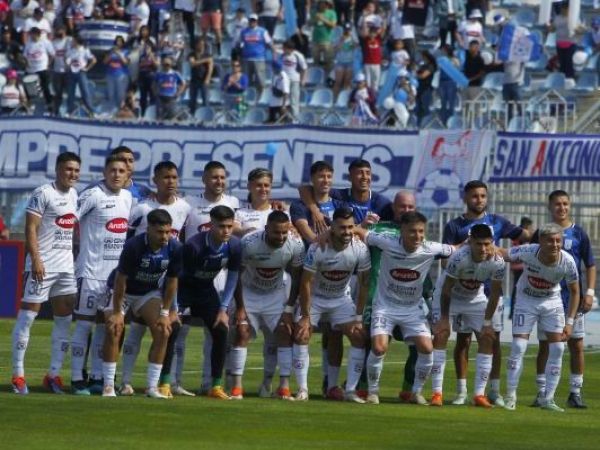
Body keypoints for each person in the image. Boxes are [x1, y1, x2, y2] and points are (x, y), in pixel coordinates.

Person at [439, 180, 530, 406]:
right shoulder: (454, 226)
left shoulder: (497, 221)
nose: (479, 200)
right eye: (474, 196)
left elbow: (526, 236)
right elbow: (444, 261)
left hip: (490, 291)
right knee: (463, 340)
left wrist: (502, 251)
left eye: (482, 196)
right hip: (463, 290)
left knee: (492, 339)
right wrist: (462, 250)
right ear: (465, 198)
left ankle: (494, 391)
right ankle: (461, 392)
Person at [362, 211, 453, 405]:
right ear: (402, 230)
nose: (417, 236)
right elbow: (361, 233)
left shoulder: (430, 247)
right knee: (379, 347)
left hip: (412, 309)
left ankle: (416, 393)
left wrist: (486, 247)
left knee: (427, 348)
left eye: (421, 231)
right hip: (385, 306)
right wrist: (329, 234)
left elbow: (457, 249)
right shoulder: (387, 241)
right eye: (412, 231)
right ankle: (372, 392)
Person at [11, 151, 80, 395]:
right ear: (58, 169)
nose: (72, 174)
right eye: (68, 169)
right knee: (28, 317)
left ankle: (53, 375)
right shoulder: (43, 193)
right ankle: (18, 375)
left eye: (76, 170)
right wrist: (36, 259)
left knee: (64, 321)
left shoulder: (74, 194)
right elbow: (30, 228)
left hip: (66, 269)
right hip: (42, 266)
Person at [120, 161, 191, 397]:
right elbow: (127, 242)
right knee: (133, 331)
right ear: (155, 180)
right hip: (135, 279)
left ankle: (159, 383)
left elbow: (179, 249)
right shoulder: (142, 208)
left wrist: (171, 306)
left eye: (174, 177)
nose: (171, 182)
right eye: (166, 177)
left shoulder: (185, 208)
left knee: (162, 329)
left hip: (160, 284)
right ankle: (123, 382)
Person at [499, 224, 580, 412]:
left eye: (558, 241)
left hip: (552, 302)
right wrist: (483, 246)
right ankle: (510, 396)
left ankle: (548, 399)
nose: (555, 244)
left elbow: (575, 292)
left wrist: (570, 322)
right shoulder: (528, 251)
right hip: (526, 300)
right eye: (550, 240)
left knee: (558, 348)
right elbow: (504, 254)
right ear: (541, 241)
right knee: (518, 346)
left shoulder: (568, 261)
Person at [101, 209, 182, 398]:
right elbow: (120, 280)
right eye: (160, 232)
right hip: (121, 291)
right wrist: (118, 312)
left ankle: (152, 387)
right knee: (114, 328)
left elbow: (172, 281)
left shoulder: (176, 248)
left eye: (168, 232)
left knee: (163, 330)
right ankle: (108, 386)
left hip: (148, 292)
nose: (164, 236)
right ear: (148, 229)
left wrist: (166, 313)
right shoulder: (134, 246)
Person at [293, 206, 370, 402]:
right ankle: (302, 389)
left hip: (340, 299)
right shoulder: (318, 248)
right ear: (332, 228)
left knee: (358, 336)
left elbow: (364, 283)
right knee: (302, 334)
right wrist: (305, 316)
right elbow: (306, 282)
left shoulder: (360, 248)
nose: (347, 232)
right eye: (342, 227)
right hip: (315, 298)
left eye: (350, 227)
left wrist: (358, 318)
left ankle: (347, 390)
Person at [70, 156, 132, 395]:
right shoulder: (93, 194)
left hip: (114, 279)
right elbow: (69, 219)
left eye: (121, 171)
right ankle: (77, 378)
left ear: (127, 175)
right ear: (104, 172)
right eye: (112, 170)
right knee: (84, 325)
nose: (117, 175)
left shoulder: (128, 198)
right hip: (89, 272)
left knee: (105, 327)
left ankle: (97, 376)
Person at [230, 211, 305, 400]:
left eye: (284, 232)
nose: (281, 237)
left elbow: (297, 277)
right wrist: (240, 307)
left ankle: (283, 388)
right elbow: (236, 275)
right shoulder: (248, 243)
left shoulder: (296, 244)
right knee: (241, 333)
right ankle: (236, 388)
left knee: (285, 332)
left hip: (275, 294)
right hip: (249, 293)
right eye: (276, 232)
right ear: (266, 229)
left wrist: (289, 308)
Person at [531, 191, 596, 409]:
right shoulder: (542, 233)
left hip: (572, 299)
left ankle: (575, 392)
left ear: (570, 205)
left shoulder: (579, 233)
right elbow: (530, 259)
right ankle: (541, 393)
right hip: (547, 298)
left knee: (576, 345)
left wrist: (590, 292)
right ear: (549, 207)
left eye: (565, 204)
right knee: (545, 346)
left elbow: (590, 264)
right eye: (557, 204)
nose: (562, 208)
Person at [180, 161, 240, 395]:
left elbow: (243, 227)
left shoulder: (233, 203)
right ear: (204, 179)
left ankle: (211, 384)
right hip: (188, 276)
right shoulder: (189, 203)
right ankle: (171, 382)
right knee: (178, 331)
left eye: (223, 177)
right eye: (214, 177)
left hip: (216, 276)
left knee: (217, 330)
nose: (219, 181)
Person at [432, 224, 505, 408]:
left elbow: (495, 293)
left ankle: (479, 395)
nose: (483, 249)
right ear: (470, 242)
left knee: (488, 337)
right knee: (441, 335)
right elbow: (446, 289)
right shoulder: (459, 258)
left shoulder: (497, 261)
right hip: (450, 296)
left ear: (492, 243)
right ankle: (437, 393)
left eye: (487, 244)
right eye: (479, 244)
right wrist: (444, 319)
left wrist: (487, 322)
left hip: (475, 298)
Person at [237, 13, 272, 96]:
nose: (252, 22)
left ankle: (261, 97)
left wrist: (273, 53)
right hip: (246, 59)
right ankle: (248, 98)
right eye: (251, 20)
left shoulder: (262, 31)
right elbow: (240, 44)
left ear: (257, 21)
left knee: (260, 81)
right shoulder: (243, 31)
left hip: (259, 59)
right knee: (246, 81)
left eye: (254, 21)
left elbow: (269, 43)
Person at [23, 26, 54, 110]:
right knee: (27, 87)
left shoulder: (45, 42)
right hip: (31, 69)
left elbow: (52, 54)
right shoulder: (28, 43)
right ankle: (29, 104)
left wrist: (48, 64)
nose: (32, 36)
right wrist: (26, 63)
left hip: (42, 67)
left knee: (45, 86)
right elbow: (25, 56)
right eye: (31, 34)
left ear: (38, 34)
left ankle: (49, 104)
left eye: (34, 34)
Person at [65, 35, 96, 117]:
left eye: (73, 41)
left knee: (85, 92)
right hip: (71, 72)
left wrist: (87, 68)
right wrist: (68, 65)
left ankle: (91, 111)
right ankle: (69, 111)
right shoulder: (70, 50)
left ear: (77, 41)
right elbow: (67, 59)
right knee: (70, 93)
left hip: (81, 72)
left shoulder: (85, 50)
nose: (72, 42)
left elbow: (94, 60)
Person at [509, 217, 533, 319]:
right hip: (519, 267)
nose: (530, 228)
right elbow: (516, 251)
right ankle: (513, 312)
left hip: (522, 267)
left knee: (521, 289)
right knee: (517, 289)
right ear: (526, 225)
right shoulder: (519, 235)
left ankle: (519, 311)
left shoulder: (520, 234)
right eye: (529, 226)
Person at [548, 2, 577, 79]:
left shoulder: (574, 18)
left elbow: (578, 29)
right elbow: (552, 29)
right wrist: (548, 26)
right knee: (562, 63)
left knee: (569, 62)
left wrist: (579, 29)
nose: (563, 10)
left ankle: (570, 78)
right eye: (562, 8)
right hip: (559, 43)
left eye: (565, 8)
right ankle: (562, 79)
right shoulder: (557, 18)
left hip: (570, 44)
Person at [134, 25, 159, 117]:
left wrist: (151, 55)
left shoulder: (155, 54)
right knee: (143, 96)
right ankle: (143, 114)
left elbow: (157, 65)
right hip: (142, 75)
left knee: (153, 95)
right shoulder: (141, 56)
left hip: (151, 75)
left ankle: (153, 114)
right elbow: (139, 65)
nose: (146, 48)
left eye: (148, 46)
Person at [153, 56, 186, 121]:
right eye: (164, 64)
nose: (166, 66)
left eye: (168, 64)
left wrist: (178, 93)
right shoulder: (158, 74)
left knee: (171, 116)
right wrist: (155, 92)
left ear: (171, 65)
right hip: (161, 97)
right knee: (159, 116)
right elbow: (153, 84)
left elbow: (183, 83)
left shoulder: (175, 74)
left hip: (171, 97)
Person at [281, 39, 307, 119]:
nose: (283, 50)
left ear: (290, 49)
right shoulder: (282, 54)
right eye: (283, 48)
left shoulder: (298, 55)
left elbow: (304, 68)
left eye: (285, 49)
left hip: (294, 80)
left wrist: (303, 79)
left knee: (294, 100)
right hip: (284, 80)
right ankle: (285, 118)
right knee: (283, 101)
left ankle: (295, 118)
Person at [104, 36, 130, 114]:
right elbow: (105, 62)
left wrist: (119, 54)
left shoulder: (126, 51)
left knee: (120, 95)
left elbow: (126, 62)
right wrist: (111, 53)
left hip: (121, 74)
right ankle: (111, 111)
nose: (118, 43)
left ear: (122, 43)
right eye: (117, 41)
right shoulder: (110, 51)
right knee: (110, 94)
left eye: (120, 41)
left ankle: (119, 111)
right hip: (110, 75)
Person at [188, 36, 213, 115]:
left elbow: (210, 68)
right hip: (194, 80)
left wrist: (207, 79)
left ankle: (206, 116)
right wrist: (205, 60)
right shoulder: (192, 54)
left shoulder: (208, 55)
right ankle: (192, 115)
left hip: (204, 80)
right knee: (192, 100)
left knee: (205, 100)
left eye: (202, 44)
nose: (201, 46)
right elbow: (192, 63)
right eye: (199, 44)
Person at [332, 23, 357, 102]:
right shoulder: (338, 38)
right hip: (340, 62)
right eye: (346, 30)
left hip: (350, 62)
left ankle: (346, 99)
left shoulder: (353, 38)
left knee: (347, 82)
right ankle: (334, 99)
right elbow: (335, 49)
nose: (347, 32)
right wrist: (341, 41)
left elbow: (356, 46)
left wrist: (352, 38)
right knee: (338, 82)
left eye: (349, 30)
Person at [311, 0, 337, 78]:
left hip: (327, 40)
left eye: (326, 3)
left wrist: (323, 19)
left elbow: (333, 25)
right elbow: (311, 23)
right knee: (315, 60)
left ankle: (328, 77)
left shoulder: (332, 13)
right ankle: (316, 77)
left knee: (328, 61)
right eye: (323, 3)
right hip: (315, 40)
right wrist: (315, 19)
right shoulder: (314, 12)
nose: (325, 5)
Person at [438, 44, 460, 125]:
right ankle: (443, 122)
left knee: (451, 103)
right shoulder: (441, 59)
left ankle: (451, 122)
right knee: (443, 103)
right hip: (442, 82)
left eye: (443, 50)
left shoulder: (454, 60)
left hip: (451, 82)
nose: (442, 51)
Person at [51, 25, 70, 115]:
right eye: (57, 30)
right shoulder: (54, 42)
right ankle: (56, 111)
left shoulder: (69, 40)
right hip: (57, 71)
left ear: (64, 30)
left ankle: (68, 111)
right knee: (58, 93)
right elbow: (51, 56)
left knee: (69, 92)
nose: (59, 32)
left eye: (60, 30)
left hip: (68, 71)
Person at [415, 50, 436, 126]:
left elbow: (423, 76)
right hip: (420, 88)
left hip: (426, 89)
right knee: (419, 108)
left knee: (424, 107)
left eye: (422, 56)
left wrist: (415, 74)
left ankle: (424, 125)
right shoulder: (423, 66)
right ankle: (419, 124)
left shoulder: (431, 66)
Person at [360, 24, 384, 92]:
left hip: (377, 63)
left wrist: (383, 21)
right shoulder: (365, 40)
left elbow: (383, 30)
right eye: (371, 33)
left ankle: (374, 94)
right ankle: (368, 94)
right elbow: (364, 32)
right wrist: (365, 20)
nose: (372, 34)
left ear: (376, 34)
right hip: (367, 63)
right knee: (368, 81)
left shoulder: (378, 39)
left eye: (374, 33)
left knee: (376, 81)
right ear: (369, 33)